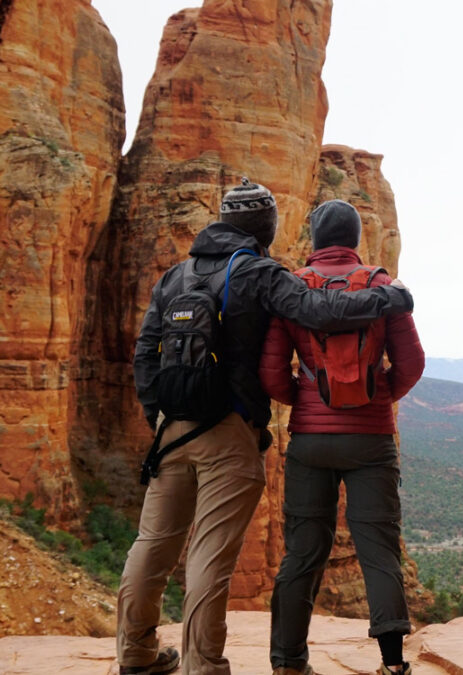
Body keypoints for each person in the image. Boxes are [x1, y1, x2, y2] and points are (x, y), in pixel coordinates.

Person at [119, 180, 415, 675]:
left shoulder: (176, 275)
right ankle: (204, 665)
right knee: (209, 555)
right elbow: (320, 310)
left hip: (171, 432)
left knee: (153, 543)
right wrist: (391, 298)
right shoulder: (260, 273)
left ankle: (136, 654)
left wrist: (158, 416)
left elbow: (145, 352)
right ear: (268, 227)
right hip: (228, 431)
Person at [259, 199, 424, 675]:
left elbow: (272, 375)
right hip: (372, 439)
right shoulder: (381, 287)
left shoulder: (292, 289)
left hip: (310, 440)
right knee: (379, 548)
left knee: (302, 552)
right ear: (354, 240)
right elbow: (412, 364)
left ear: (315, 240)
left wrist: (308, 400)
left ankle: (289, 663)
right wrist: (376, 394)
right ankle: (393, 665)